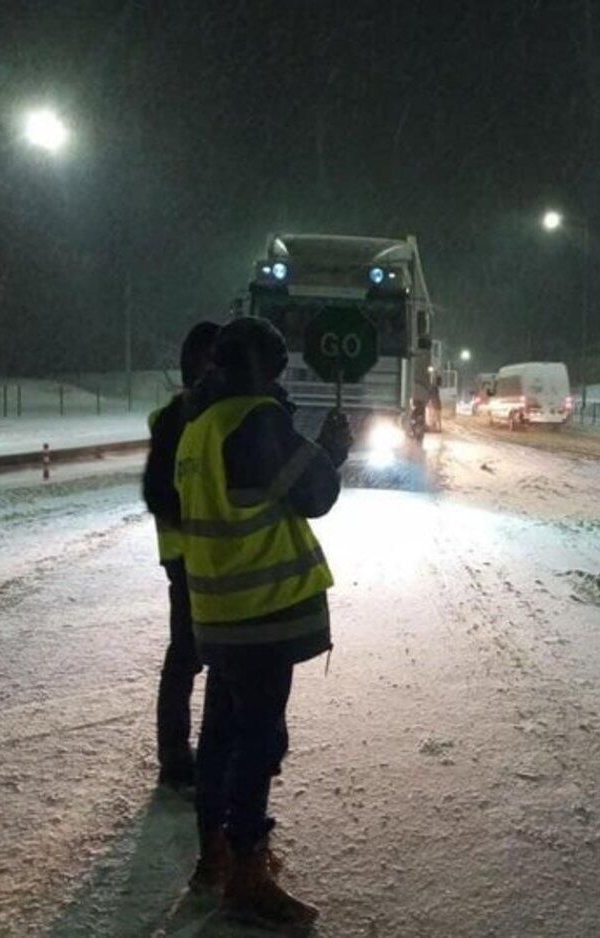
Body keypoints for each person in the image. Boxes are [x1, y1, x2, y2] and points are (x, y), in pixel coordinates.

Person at [176, 316, 351, 929]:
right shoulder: (254, 420)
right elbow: (315, 493)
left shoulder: (199, 425)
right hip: (262, 611)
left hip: (216, 612)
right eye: (277, 371)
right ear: (264, 368)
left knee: (220, 737)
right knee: (257, 742)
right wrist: (331, 451)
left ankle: (215, 857)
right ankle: (247, 876)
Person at [142, 321, 220, 792]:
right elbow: (159, 493)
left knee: (190, 658)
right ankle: (181, 758)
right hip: (196, 559)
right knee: (195, 658)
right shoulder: (186, 418)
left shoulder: (184, 416)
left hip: (190, 557)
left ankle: (182, 756)